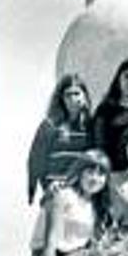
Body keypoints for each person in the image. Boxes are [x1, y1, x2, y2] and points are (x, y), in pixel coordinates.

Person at [27, 149, 111, 256]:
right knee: (94, 254)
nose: (95, 178)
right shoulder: (63, 195)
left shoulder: (95, 205)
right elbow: (51, 240)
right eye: (90, 172)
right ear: (80, 172)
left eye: (101, 174)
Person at [27, 74, 92, 204]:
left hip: (82, 193)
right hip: (55, 190)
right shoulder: (50, 125)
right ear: (61, 99)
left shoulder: (91, 125)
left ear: (84, 96)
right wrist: (36, 188)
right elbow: (36, 158)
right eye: (68, 95)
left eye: (77, 94)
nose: (73, 99)